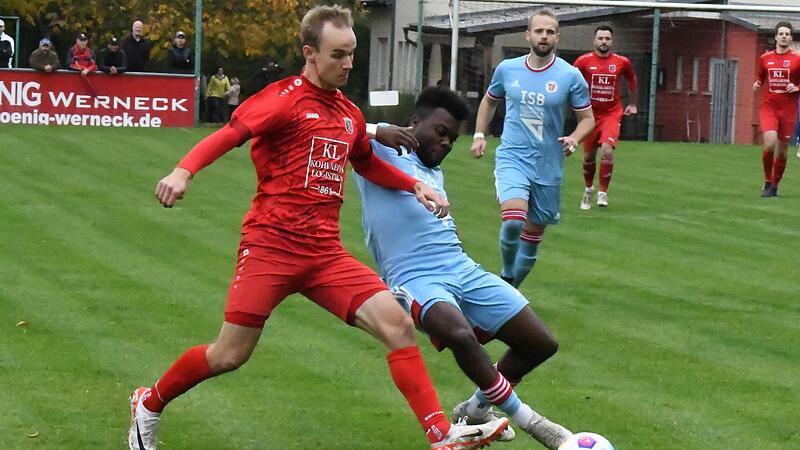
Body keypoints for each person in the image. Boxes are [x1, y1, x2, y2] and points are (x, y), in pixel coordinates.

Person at [127, 5, 508, 450]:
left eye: (352, 54)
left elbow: (365, 161)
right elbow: (228, 134)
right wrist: (183, 171)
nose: (348, 64)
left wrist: (414, 186)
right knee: (229, 354)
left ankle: (441, 434)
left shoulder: (347, 112)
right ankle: (148, 403)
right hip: (270, 248)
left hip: (325, 255)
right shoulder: (282, 99)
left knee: (397, 325)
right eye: (338, 54)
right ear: (310, 53)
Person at [354, 86, 575, 449]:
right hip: (415, 278)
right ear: (414, 122)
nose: (445, 143)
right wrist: (379, 130)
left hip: (461, 268)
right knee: (459, 335)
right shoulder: (382, 149)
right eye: (440, 132)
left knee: (540, 343)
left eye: (452, 139)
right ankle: (533, 423)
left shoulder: (431, 170)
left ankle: (475, 409)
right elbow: (334, 126)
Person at [470, 8, 594, 288]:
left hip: (548, 166)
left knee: (532, 237)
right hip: (513, 157)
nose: (544, 36)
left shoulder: (570, 76)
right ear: (528, 35)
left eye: (550, 31)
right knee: (514, 219)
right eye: (539, 31)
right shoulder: (507, 69)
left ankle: (510, 288)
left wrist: (574, 137)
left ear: (557, 37)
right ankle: (504, 273)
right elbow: (490, 101)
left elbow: (588, 119)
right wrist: (480, 134)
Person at [572, 25, 638, 209]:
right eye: (600, 38)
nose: (604, 42)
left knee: (607, 150)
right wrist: (573, 101)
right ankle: (588, 189)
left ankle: (603, 192)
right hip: (590, 116)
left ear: (612, 41)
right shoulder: (583, 61)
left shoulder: (621, 62)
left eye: (607, 38)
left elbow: (632, 78)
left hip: (611, 114)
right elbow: (570, 80)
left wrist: (632, 104)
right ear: (594, 41)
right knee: (588, 157)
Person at [753, 21, 800, 198]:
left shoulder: (797, 59)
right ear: (775, 37)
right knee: (770, 142)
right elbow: (760, 75)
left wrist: (797, 88)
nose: (784, 36)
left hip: (788, 109)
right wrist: (757, 83)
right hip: (769, 106)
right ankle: (767, 181)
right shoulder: (765, 58)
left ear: (791, 37)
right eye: (781, 33)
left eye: (787, 34)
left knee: (782, 149)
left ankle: (775, 186)